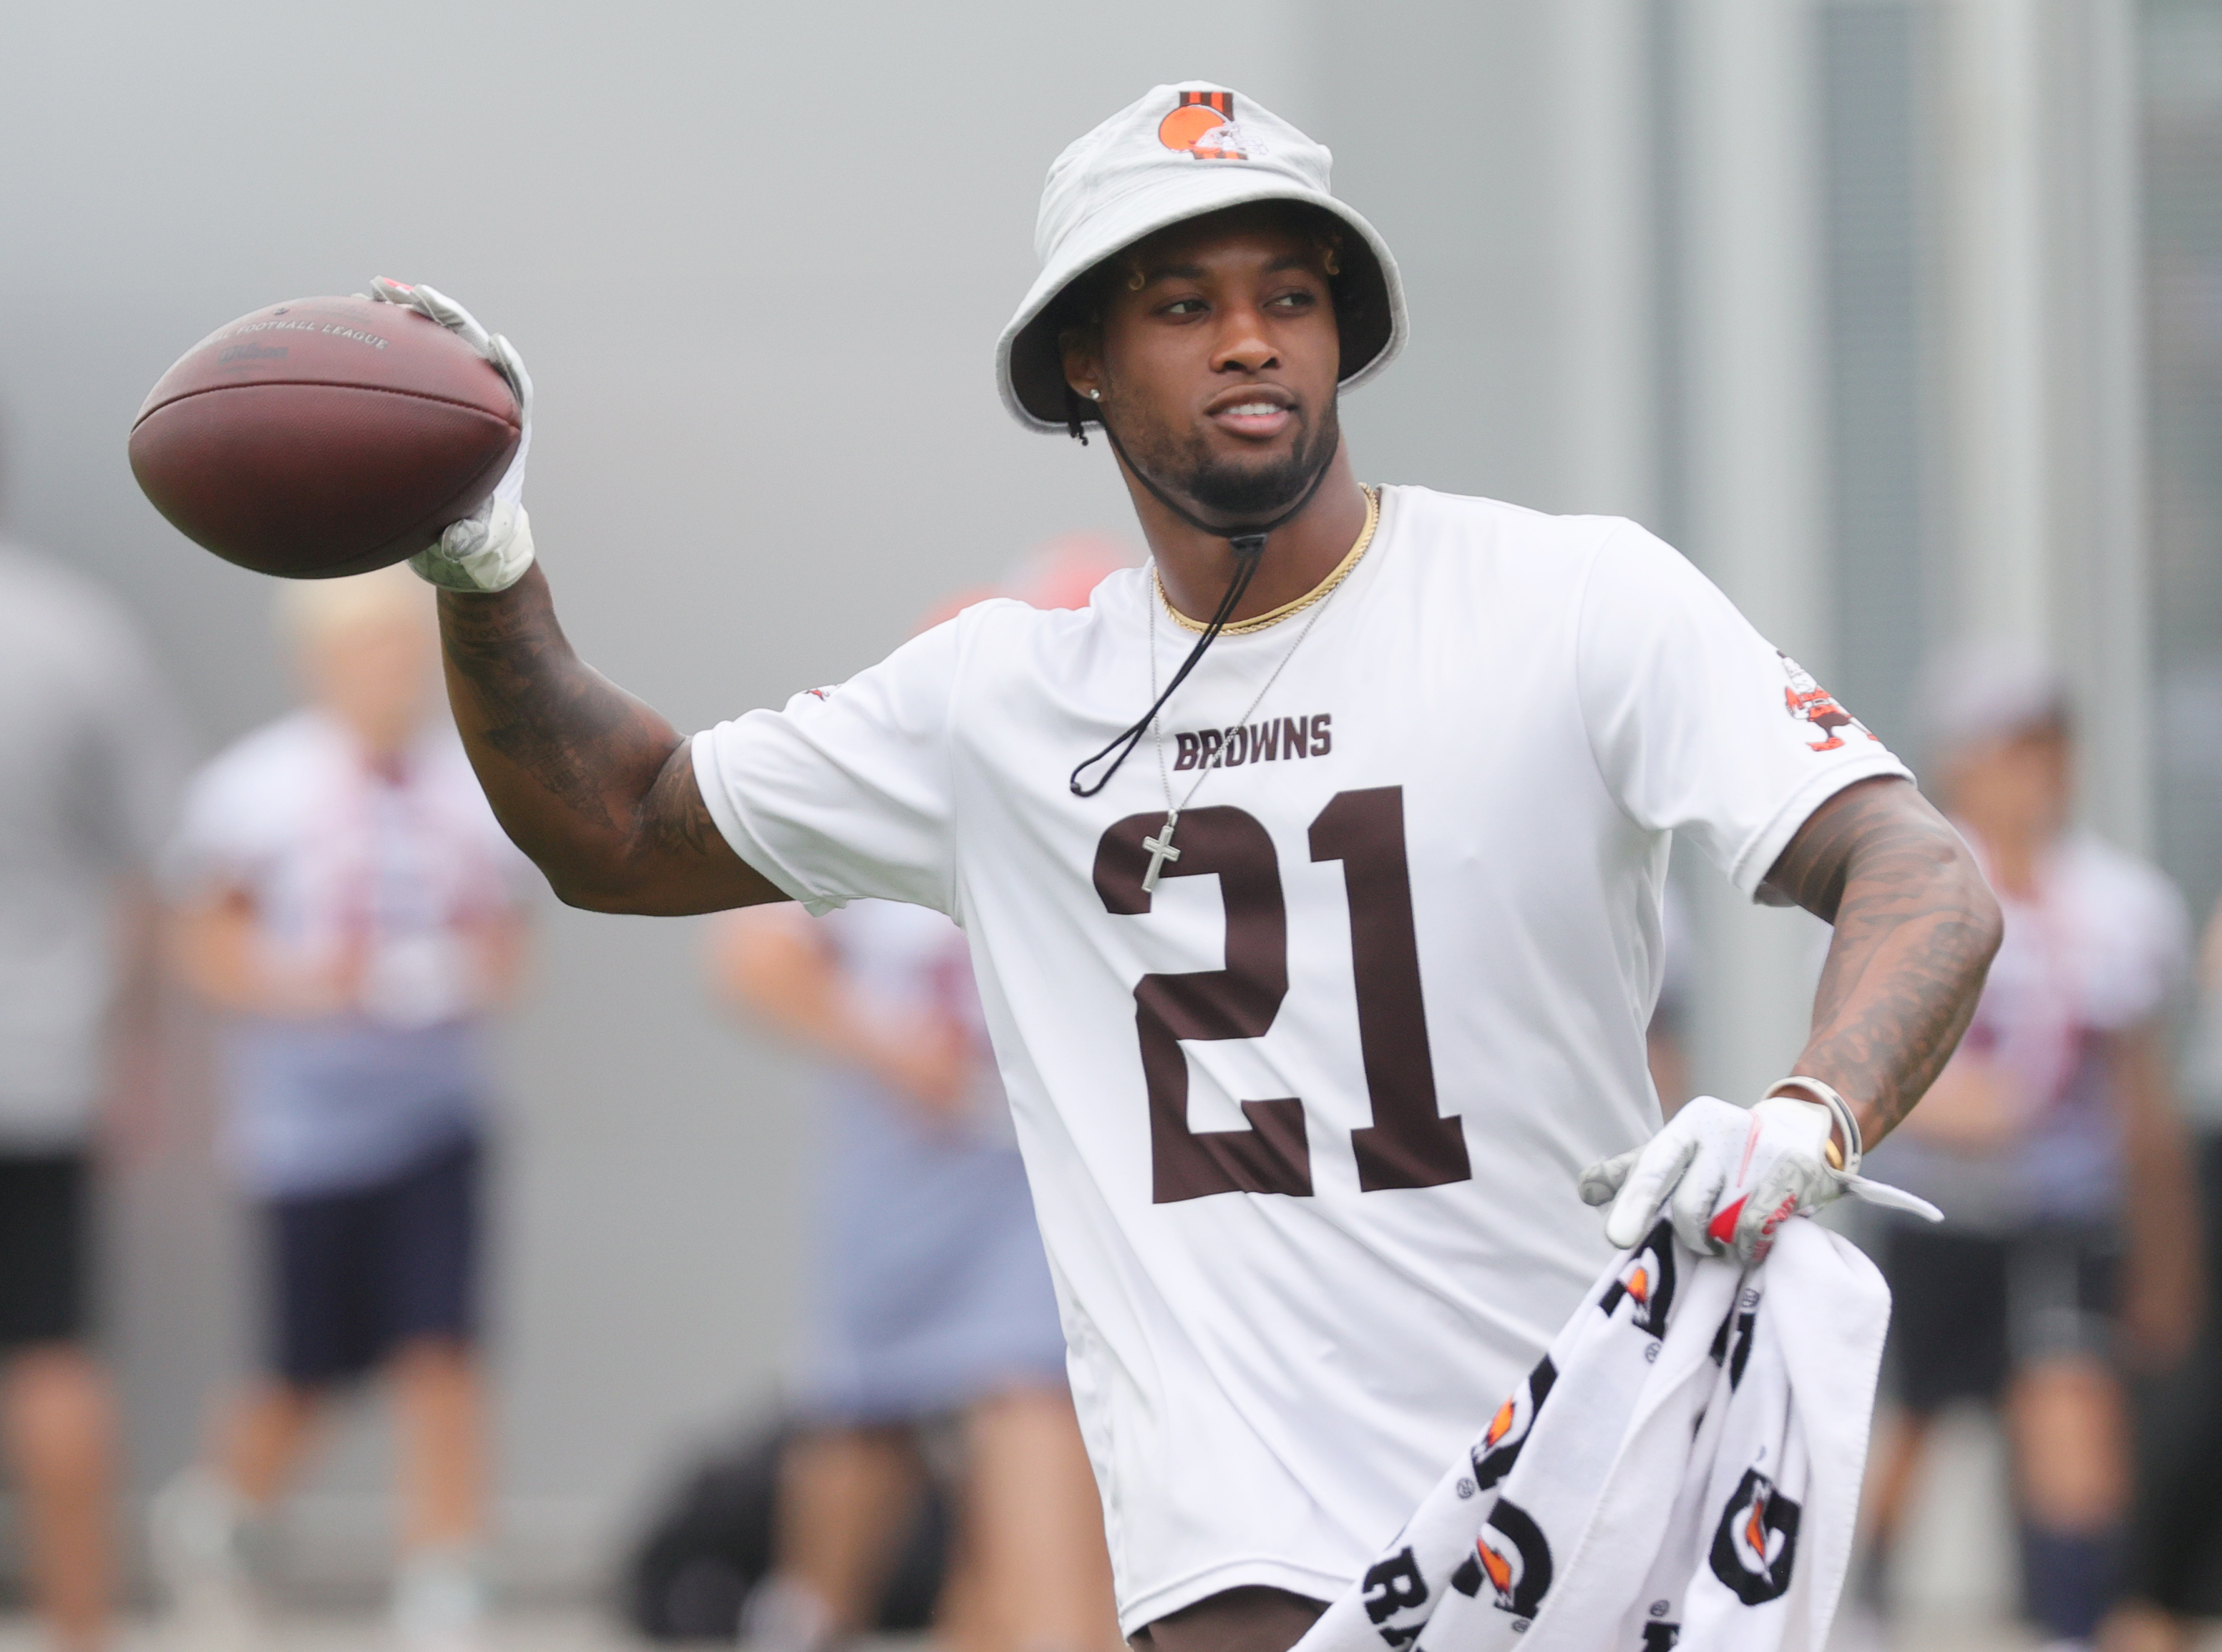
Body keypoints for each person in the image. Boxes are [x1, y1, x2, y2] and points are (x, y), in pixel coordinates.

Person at [371, 82, 2001, 1652]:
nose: (1247, 336)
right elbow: (617, 827)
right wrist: (483, 549)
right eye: (1178, 302)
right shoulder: (997, 701)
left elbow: (1912, 866)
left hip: (1577, 1482)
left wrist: (1809, 1115)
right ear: (1078, 359)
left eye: (1290, 292)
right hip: (1241, 1541)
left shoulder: (1572, 599)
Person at [711, 557, 1130, 1652]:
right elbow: (751, 957)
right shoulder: (896, 794)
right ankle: (805, 1616)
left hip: (1047, 1196)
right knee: (862, 1429)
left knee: (1034, 1413)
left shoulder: (1141, 808)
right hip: (905, 1182)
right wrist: (893, 1048)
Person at [152, 566, 532, 1648]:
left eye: (404, 648)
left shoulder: (469, 786)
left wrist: (454, 973)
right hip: (305, 1133)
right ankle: (221, 1516)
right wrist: (307, 984)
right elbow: (205, 940)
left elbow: (509, 937)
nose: (392, 671)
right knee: (302, 1366)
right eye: (368, 648)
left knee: (442, 1346)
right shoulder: (256, 790)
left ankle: (444, 1575)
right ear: (319, 658)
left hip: (434, 1114)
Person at [1857, 653, 2198, 1650]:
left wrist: (2167, 1254)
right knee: (1915, 1415)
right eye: (2009, 749)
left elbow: (2141, 1100)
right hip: (1936, 1214)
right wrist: (1959, 1106)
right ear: (1960, 760)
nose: (2031, 772)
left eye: (2047, 747)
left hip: (2063, 1214)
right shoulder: (1905, 884)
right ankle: (1864, 1598)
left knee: (2069, 1406)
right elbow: (1867, 1053)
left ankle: (2070, 1620)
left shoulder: (2121, 905)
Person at [0, 537, 186, 1652]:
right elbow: (154, 858)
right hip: (40, 1062)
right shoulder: (75, 633)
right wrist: (136, 1048)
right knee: (54, 1351)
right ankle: (82, 1637)